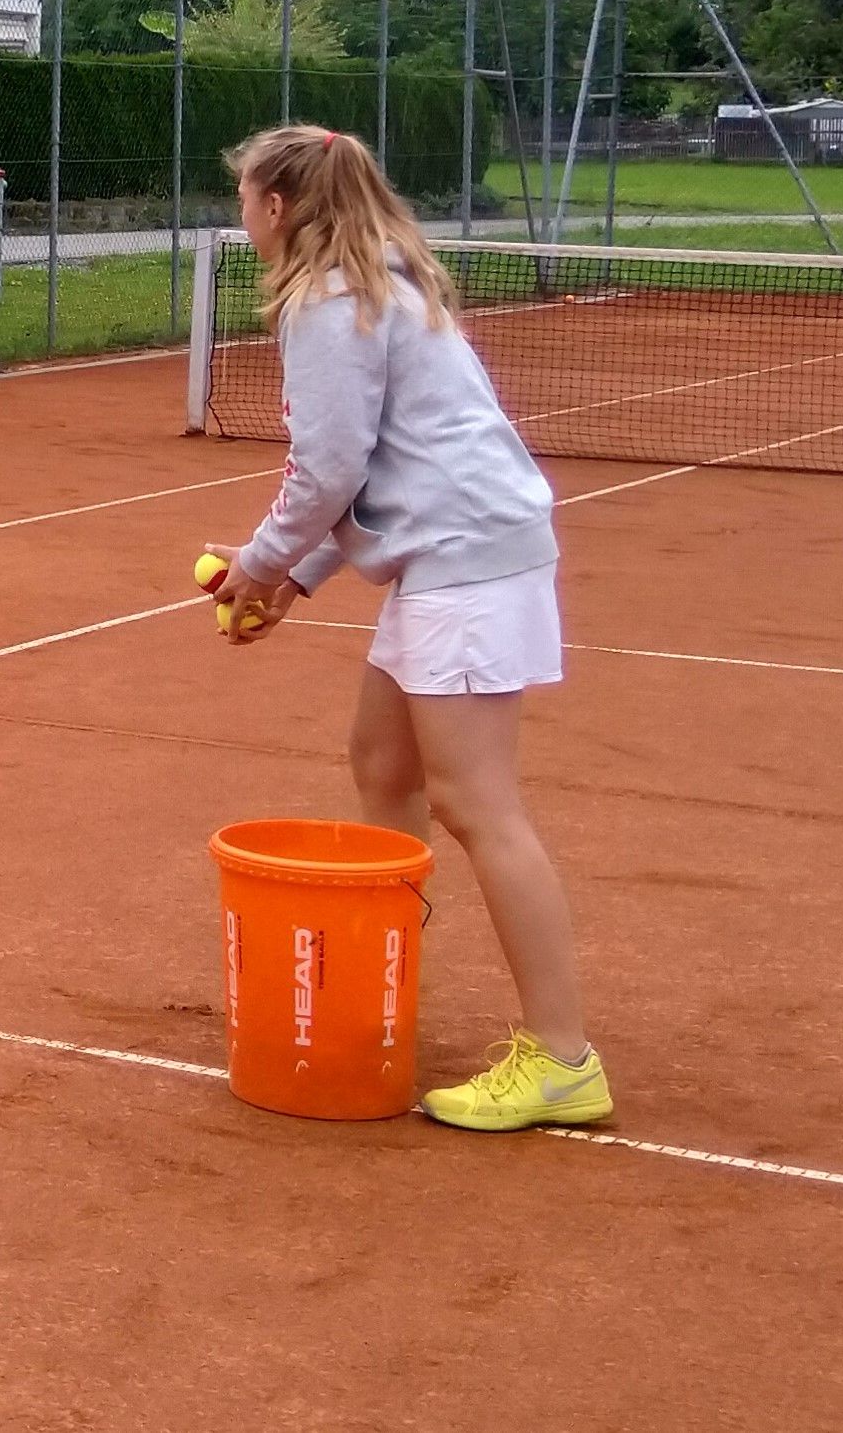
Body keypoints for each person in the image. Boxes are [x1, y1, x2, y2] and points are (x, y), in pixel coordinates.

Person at [208, 125, 608, 1131]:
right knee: (383, 764)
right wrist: (295, 577)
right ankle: (378, 985)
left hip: (462, 560)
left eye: (244, 200)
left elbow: (329, 469)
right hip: (454, 552)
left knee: (477, 804)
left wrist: (260, 565)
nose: (241, 218)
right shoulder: (375, 283)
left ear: (276, 207)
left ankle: (562, 1057)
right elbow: (373, 468)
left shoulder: (327, 302)